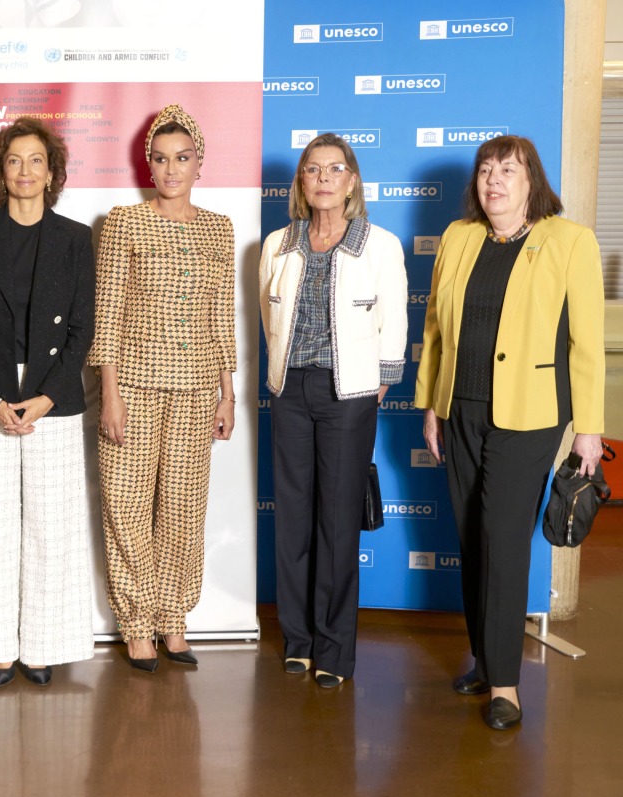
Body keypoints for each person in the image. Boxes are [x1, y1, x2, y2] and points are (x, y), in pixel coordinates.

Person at [415, 135, 605, 730]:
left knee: (502, 537)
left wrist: (589, 431)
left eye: (508, 171)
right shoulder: (458, 238)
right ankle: (484, 656)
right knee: (474, 537)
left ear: (532, 182)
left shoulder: (568, 241)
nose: (493, 181)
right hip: (462, 407)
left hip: (531, 413)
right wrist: (430, 403)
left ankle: (505, 684)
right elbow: (436, 329)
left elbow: (587, 346)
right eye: (485, 171)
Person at [0, 118, 96, 687]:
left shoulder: (76, 237)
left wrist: (48, 397)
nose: (25, 171)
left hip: (51, 399)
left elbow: (81, 329)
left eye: (36, 160)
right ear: (0, 170)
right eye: (15, 160)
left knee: (49, 528)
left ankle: (43, 644)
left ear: (51, 172)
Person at [87, 104, 236, 671]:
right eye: (160, 159)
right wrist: (111, 391)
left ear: (199, 163)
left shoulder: (218, 227)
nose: (171, 169)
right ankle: (136, 622)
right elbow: (108, 313)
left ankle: (174, 619)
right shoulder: (124, 221)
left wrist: (227, 393)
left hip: (198, 389)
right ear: (148, 165)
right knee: (126, 506)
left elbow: (223, 315)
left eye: (183, 158)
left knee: (182, 509)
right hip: (134, 384)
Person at [258, 133, 408, 689]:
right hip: (290, 392)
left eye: (334, 169)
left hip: (350, 397)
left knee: (338, 524)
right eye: (312, 169)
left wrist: (380, 382)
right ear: (301, 181)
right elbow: (266, 315)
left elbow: (394, 321)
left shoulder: (380, 244)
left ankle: (335, 650)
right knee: (292, 520)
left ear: (351, 180)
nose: (322, 177)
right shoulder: (278, 243)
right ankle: (297, 641)